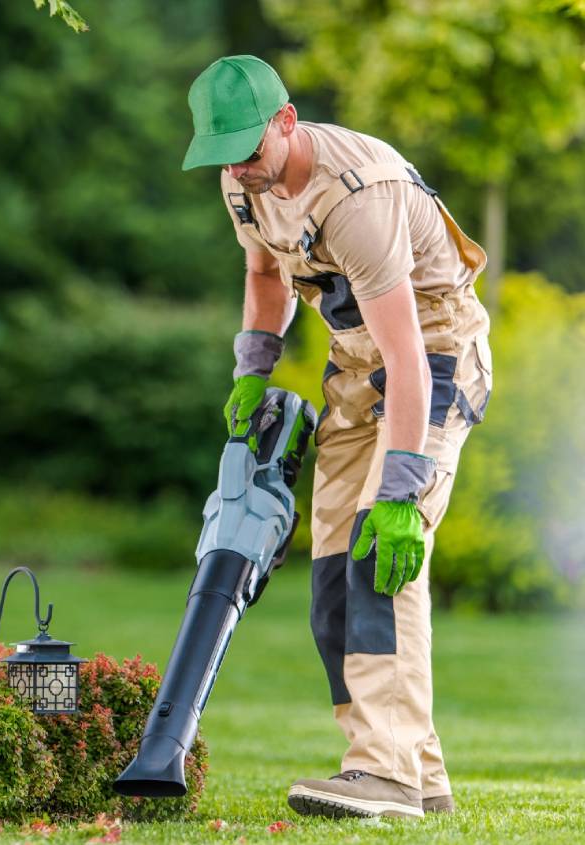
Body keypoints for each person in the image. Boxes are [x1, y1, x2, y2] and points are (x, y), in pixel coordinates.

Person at [181, 55, 493, 819]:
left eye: (251, 151)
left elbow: (410, 356)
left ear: (286, 120)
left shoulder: (359, 194)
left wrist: (400, 489)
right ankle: (419, 773)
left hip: (431, 354)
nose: (241, 171)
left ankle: (382, 771)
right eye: (224, 156)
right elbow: (264, 276)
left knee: (379, 555)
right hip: (354, 363)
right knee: (330, 582)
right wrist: (252, 368)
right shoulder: (241, 177)